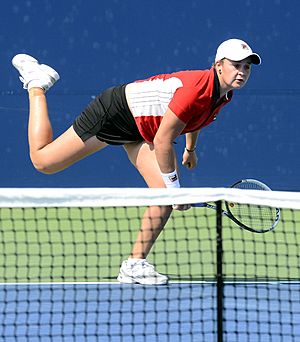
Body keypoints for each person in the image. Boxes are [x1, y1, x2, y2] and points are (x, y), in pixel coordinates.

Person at [12, 38, 261, 285]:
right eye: (236, 65)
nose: (241, 72)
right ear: (219, 65)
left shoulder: (222, 95)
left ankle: (133, 265)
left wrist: (190, 149)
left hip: (144, 129)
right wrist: (176, 192)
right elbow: (164, 141)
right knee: (44, 161)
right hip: (117, 112)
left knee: (161, 196)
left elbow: (191, 119)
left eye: (246, 67)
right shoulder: (194, 90)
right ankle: (37, 85)